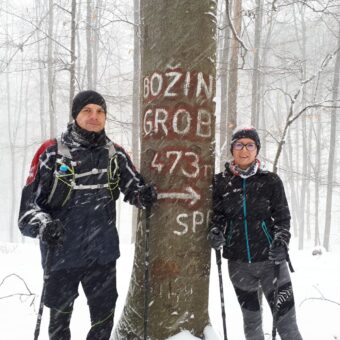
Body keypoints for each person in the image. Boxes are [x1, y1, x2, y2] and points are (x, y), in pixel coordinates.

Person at [18, 90, 157, 340]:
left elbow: (132, 188)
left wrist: (143, 195)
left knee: (103, 321)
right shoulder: (51, 152)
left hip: (102, 257)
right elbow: (28, 212)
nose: (95, 116)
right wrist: (44, 225)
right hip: (60, 255)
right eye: (87, 111)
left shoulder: (115, 153)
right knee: (59, 325)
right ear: (75, 115)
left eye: (100, 111)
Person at [208, 126, 303, 340]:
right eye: (239, 144)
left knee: (287, 325)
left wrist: (281, 242)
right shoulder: (221, 182)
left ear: (257, 149)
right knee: (252, 325)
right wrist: (216, 231)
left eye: (250, 145)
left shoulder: (270, 181)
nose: (244, 149)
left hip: (273, 263)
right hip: (239, 265)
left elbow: (282, 218)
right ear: (232, 149)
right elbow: (218, 216)